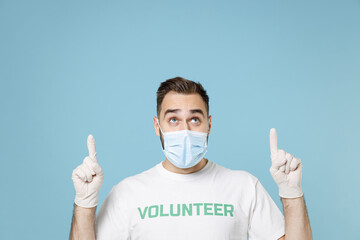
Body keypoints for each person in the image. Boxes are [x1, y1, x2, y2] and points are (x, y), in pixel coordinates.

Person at [70, 77, 313, 240]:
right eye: (173, 119)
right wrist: (85, 202)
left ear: (209, 124)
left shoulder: (244, 186)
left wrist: (292, 194)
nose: (184, 130)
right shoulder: (127, 193)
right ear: (158, 126)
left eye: (195, 119)